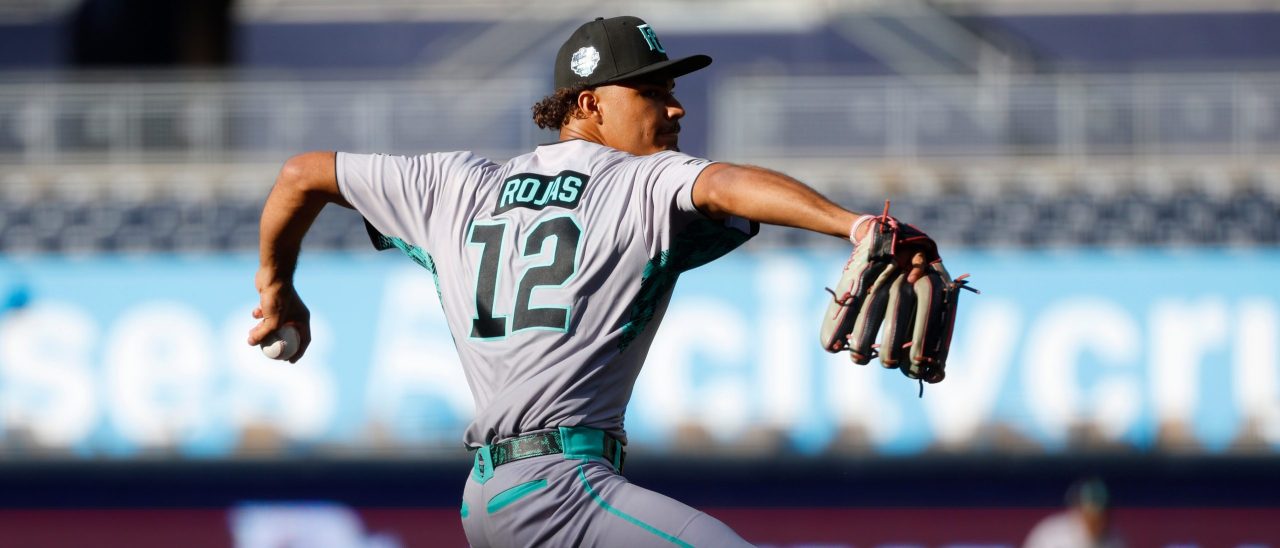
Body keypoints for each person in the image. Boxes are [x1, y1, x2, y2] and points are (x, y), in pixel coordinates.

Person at [249, 15, 931, 547]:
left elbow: (301, 175)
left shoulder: (452, 182)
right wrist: (854, 225)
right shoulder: (642, 179)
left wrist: (277, 285)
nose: (675, 109)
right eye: (653, 90)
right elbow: (724, 184)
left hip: (487, 499)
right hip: (561, 486)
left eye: (672, 90)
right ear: (589, 103)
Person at [1023, 477, 1125, 548]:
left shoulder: (1115, 541)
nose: (1098, 521)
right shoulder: (1050, 536)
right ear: (1078, 510)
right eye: (1091, 514)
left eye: (1102, 514)